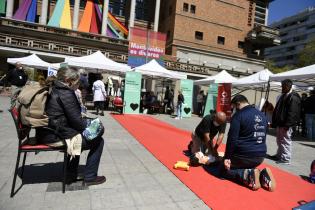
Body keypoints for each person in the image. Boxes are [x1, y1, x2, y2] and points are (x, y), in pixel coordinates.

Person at [36, 67, 105, 186]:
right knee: (98, 141)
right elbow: (77, 122)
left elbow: (72, 119)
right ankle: (89, 176)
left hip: (47, 132)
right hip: (55, 135)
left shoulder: (55, 87)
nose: (78, 85)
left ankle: (70, 173)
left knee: (80, 135)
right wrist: (95, 126)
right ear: (69, 80)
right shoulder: (66, 92)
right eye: (77, 82)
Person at [222, 95, 276, 191]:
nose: (233, 110)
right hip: (260, 156)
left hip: (243, 156)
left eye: (233, 107)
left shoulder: (238, 116)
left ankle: (246, 174)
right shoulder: (262, 115)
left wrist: (227, 157)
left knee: (223, 170)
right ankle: (262, 174)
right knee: (248, 166)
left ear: (238, 104)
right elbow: (264, 136)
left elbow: (232, 139)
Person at [271, 79, 301, 164]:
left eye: (283, 86)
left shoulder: (293, 97)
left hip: (286, 124)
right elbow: (278, 109)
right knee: (279, 140)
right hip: (281, 123)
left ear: (288, 86)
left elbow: (292, 112)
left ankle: (286, 158)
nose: (281, 88)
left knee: (285, 141)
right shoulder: (284, 95)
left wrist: (288, 124)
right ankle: (279, 155)